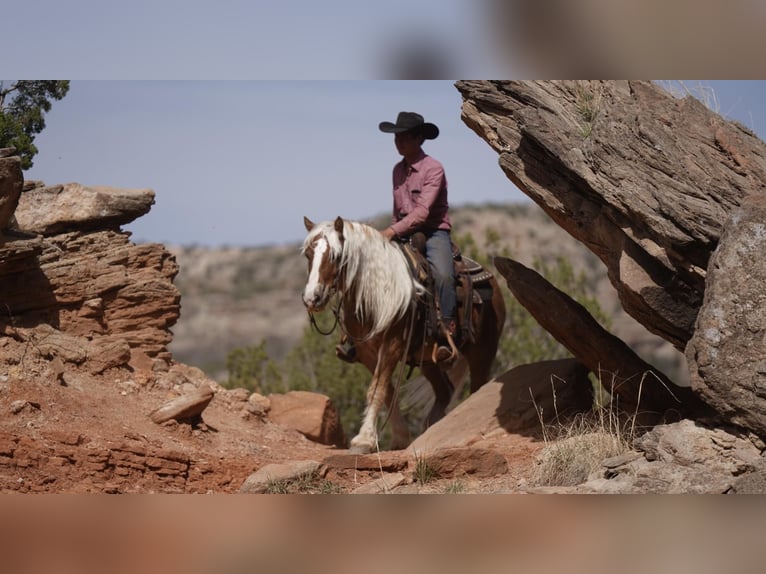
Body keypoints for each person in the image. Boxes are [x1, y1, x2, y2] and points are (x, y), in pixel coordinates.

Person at [336, 111, 458, 364]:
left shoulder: (433, 168)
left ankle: (447, 330)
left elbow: (423, 212)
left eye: (403, 137)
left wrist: (391, 232)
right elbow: (397, 209)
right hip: (403, 232)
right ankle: (358, 335)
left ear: (418, 140)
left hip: (434, 231)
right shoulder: (397, 170)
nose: (397, 142)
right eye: (396, 137)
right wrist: (391, 234)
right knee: (369, 270)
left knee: (444, 275)